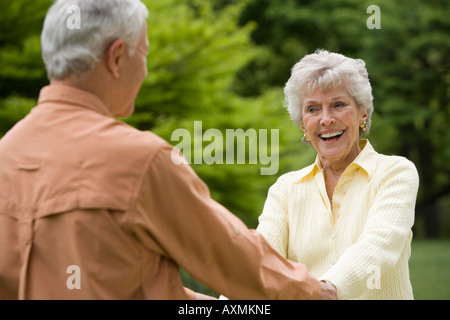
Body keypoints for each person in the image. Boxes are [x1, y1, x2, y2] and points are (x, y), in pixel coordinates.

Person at [0, 0, 336, 300]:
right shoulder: (139, 160)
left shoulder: (6, 154)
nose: (144, 70)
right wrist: (311, 291)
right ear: (116, 57)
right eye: (143, 53)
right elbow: (228, 254)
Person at [256, 49, 419, 300]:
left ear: (362, 113)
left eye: (338, 104)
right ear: (302, 123)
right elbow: (261, 265)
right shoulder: (285, 189)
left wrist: (327, 289)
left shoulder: (395, 173)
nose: (326, 119)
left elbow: (378, 246)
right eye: (312, 109)